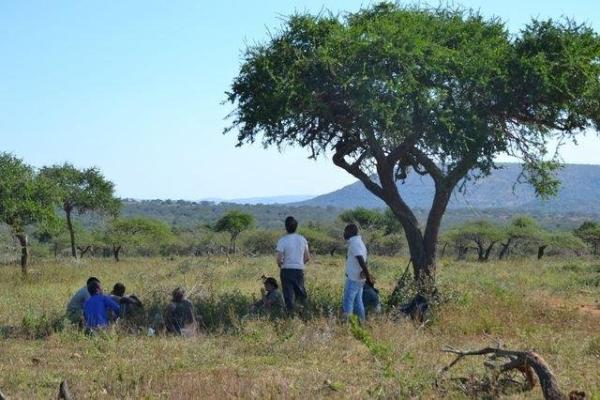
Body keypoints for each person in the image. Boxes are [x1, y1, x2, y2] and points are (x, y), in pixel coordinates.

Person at [276, 216, 310, 312]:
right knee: (301, 293)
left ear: (286, 227)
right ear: (296, 227)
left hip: (286, 270)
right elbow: (307, 257)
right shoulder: (302, 239)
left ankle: (290, 315)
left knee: (289, 295)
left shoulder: (282, 240)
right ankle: (305, 313)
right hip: (299, 270)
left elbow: (279, 259)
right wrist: (299, 264)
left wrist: (281, 265)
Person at [342, 224, 373, 321]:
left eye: (345, 231)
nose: (344, 233)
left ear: (351, 232)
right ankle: (361, 322)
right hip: (358, 278)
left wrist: (368, 277)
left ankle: (347, 325)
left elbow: (361, 260)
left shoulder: (355, 243)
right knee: (358, 302)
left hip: (354, 278)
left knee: (348, 302)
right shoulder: (358, 242)